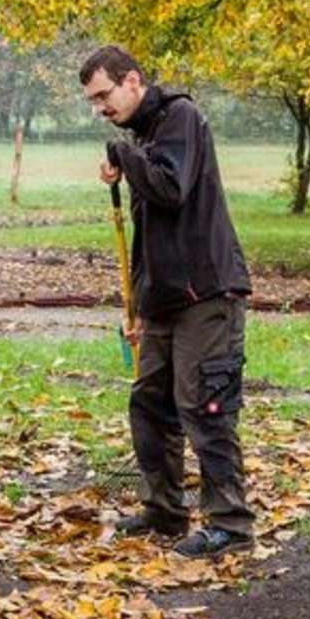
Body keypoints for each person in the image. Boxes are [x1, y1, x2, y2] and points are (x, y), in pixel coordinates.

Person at [81, 45, 256, 559]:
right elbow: (152, 230)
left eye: (104, 95)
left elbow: (171, 188)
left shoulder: (180, 117)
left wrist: (126, 158)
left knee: (205, 405)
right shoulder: (146, 133)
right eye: (92, 101)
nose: (100, 109)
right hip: (163, 299)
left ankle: (230, 523)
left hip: (207, 292)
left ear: (132, 80)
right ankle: (164, 507)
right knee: (151, 404)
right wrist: (138, 305)